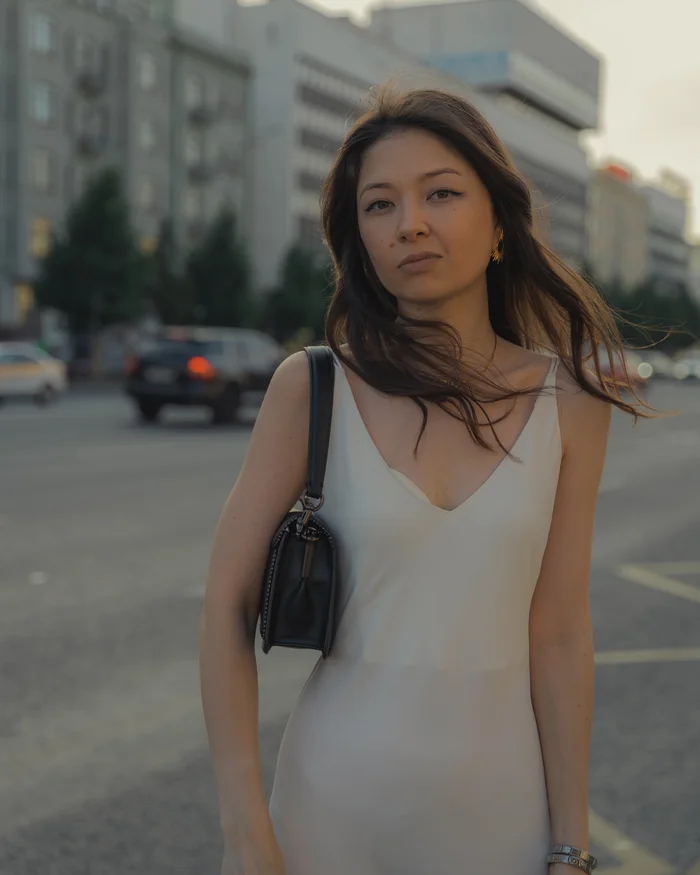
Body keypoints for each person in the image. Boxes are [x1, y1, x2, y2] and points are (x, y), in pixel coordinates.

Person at [199, 87, 646, 875]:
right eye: (380, 204)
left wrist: (571, 846)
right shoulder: (313, 388)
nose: (410, 221)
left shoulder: (570, 403)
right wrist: (245, 830)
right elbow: (225, 609)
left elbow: (560, 631)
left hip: (502, 817)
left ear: (501, 227)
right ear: (360, 240)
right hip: (325, 814)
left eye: (440, 192)